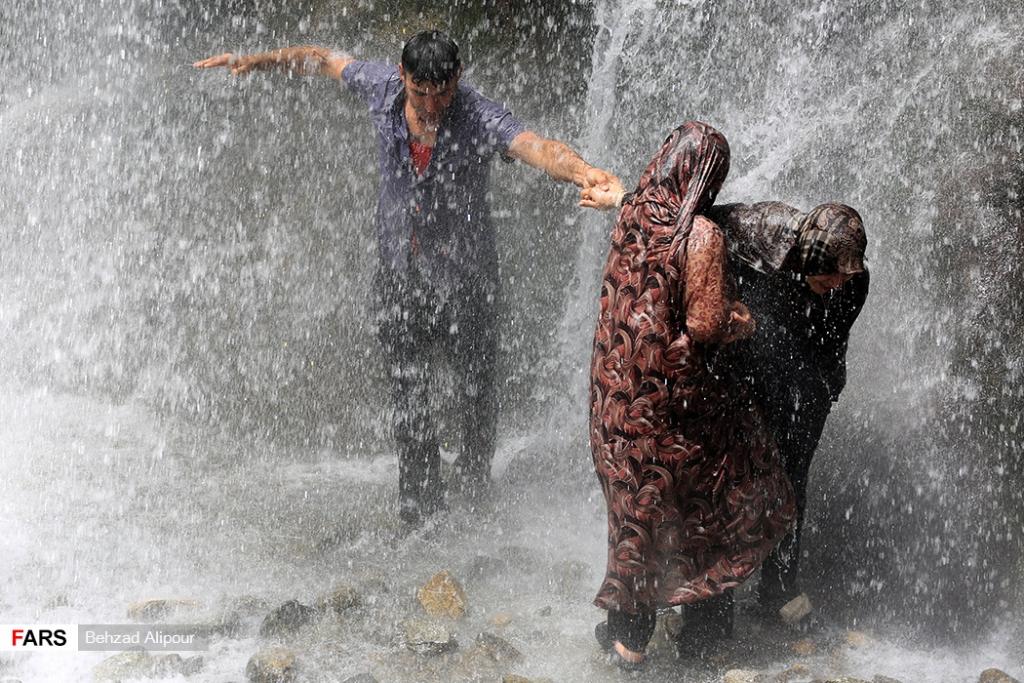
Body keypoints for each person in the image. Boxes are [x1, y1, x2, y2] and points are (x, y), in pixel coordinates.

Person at [195, 31, 617, 527]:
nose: (432, 104)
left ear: (458, 80)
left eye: (442, 92)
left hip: (467, 280)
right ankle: (419, 516)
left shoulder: (478, 115)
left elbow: (535, 146)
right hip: (400, 276)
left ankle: (477, 497)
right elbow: (321, 59)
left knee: (476, 395)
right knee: (409, 400)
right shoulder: (380, 88)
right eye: (421, 92)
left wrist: (583, 171)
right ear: (403, 76)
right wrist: (253, 60)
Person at [579, 122, 796, 669]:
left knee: (638, 512)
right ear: (707, 176)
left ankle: (627, 640)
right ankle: (706, 633)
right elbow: (704, 325)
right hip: (673, 408)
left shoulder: (633, 213)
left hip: (615, 397)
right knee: (725, 491)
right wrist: (743, 320)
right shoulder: (701, 235)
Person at [707, 200, 869, 615]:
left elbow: (827, 342)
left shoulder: (854, 281)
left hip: (805, 382)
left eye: (844, 272)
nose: (836, 280)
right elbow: (701, 223)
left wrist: (820, 390)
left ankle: (777, 587)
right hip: (746, 372)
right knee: (729, 475)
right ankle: (713, 595)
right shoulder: (762, 226)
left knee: (792, 479)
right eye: (829, 272)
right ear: (808, 255)